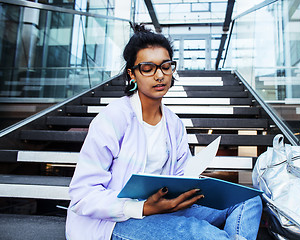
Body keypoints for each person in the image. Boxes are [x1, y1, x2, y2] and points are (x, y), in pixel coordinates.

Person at [65, 24, 262, 240]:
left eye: (165, 66)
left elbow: (180, 175)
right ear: (132, 74)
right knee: (203, 234)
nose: (159, 75)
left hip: (165, 207)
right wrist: (143, 208)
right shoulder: (113, 119)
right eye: (148, 68)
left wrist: (197, 184)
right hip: (115, 221)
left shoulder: (173, 123)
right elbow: (83, 195)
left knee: (247, 199)